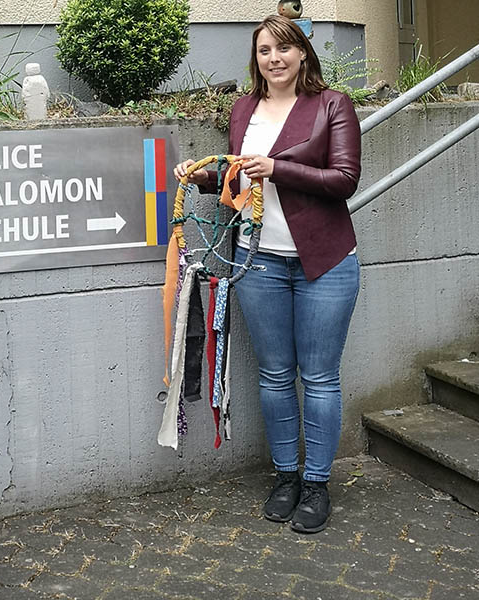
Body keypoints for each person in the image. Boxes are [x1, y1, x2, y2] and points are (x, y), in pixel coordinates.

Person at [175, 14, 361, 534]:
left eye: (283, 49)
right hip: (257, 260)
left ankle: (317, 483)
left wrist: (277, 169)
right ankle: (286, 476)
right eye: (264, 51)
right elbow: (241, 175)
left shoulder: (332, 105)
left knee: (320, 377)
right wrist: (202, 175)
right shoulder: (243, 109)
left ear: (303, 53)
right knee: (276, 375)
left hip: (324, 260)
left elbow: (344, 179)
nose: (274, 59)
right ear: (255, 59)